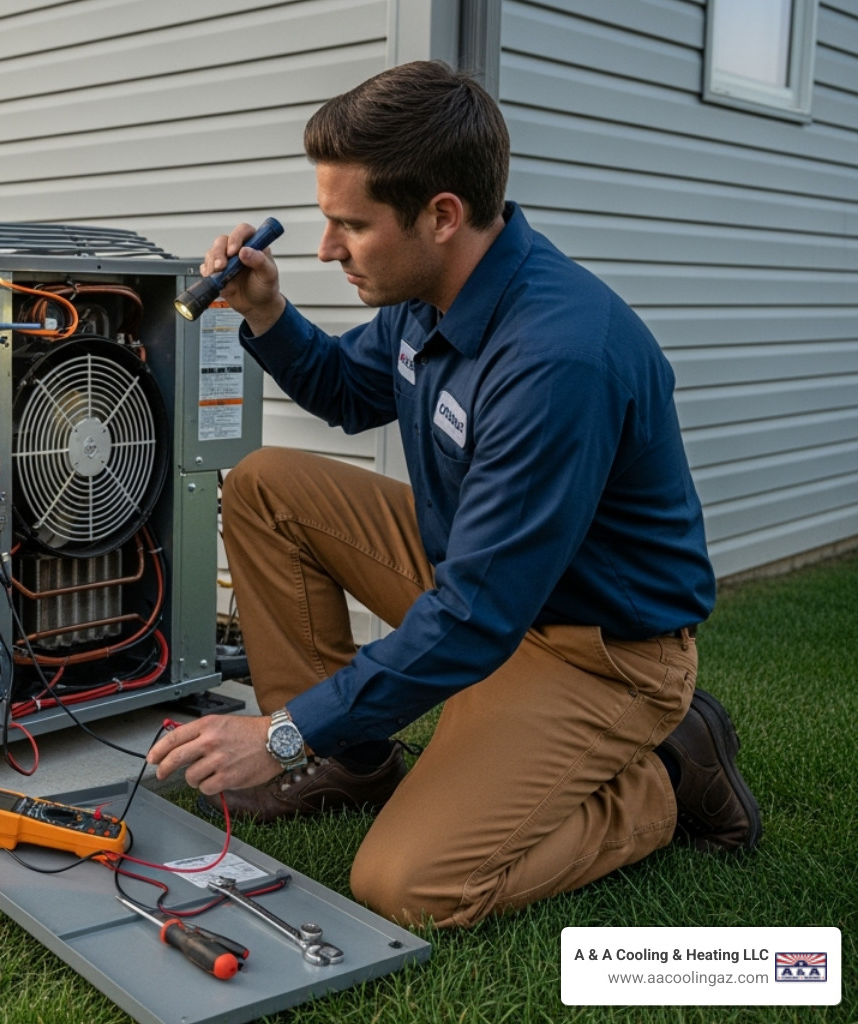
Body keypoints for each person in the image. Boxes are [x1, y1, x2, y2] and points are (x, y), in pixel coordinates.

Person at [147, 61, 760, 929]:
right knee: (266, 485)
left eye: (351, 225)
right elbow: (348, 391)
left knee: (408, 886)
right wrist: (266, 314)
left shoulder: (558, 359)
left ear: (441, 215)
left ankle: (665, 777)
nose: (326, 249)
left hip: (595, 647)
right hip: (492, 582)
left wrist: (280, 733)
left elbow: (476, 614)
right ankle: (350, 758)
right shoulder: (431, 296)